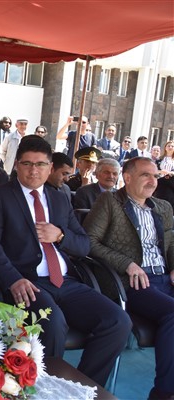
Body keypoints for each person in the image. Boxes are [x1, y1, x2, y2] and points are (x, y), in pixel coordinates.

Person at [0, 135, 131, 387]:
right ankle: (45, 389)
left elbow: (83, 245)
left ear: (50, 168)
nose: (33, 170)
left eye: (40, 164)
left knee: (118, 322)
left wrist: (60, 236)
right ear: (16, 166)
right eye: (27, 164)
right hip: (26, 281)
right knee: (53, 323)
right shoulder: (0, 195)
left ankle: (83, 387)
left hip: (66, 281)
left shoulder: (59, 198)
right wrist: (13, 279)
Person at [84, 157, 174, 400]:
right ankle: (164, 393)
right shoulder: (110, 201)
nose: (152, 181)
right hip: (131, 281)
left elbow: (171, 243)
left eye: (155, 176)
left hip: (164, 277)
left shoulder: (163, 207)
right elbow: (89, 241)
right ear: (127, 177)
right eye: (146, 175)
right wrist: (127, 264)